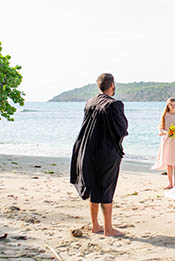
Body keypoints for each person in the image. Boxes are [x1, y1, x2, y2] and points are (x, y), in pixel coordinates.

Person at [70, 73, 128, 236]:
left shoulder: (90, 102)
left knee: (94, 188)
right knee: (106, 189)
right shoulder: (114, 104)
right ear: (112, 85)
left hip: (86, 150)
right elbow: (122, 129)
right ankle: (108, 228)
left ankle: (95, 225)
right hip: (106, 152)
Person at [152, 97, 175, 189]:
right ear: (168, 105)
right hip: (167, 140)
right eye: (171, 105)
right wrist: (167, 132)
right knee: (169, 163)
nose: (173, 106)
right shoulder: (165, 115)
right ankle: (170, 183)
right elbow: (161, 129)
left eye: (174, 105)